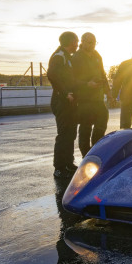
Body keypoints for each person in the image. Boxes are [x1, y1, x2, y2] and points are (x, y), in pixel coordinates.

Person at [72, 32, 112, 158]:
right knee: (86, 127)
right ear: (82, 42)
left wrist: (108, 92)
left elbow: (102, 74)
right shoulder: (76, 57)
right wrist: (87, 84)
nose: (92, 45)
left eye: (94, 42)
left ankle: (96, 148)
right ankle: (86, 155)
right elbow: (72, 79)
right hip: (84, 99)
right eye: (89, 42)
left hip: (98, 97)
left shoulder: (96, 55)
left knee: (102, 121)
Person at [48, 31, 80, 178]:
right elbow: (52, 75)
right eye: (76, 41)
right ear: (70, 42)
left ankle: (68, 163)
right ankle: (59, 167)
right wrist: (64, 93)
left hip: (69, 100)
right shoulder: (59, 56)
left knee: (71, 133)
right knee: (63, 134)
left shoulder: (67, 57)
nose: (77, 44)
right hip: (62, 100)